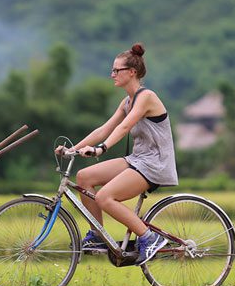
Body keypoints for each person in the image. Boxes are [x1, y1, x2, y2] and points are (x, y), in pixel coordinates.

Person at [56, 42, 178, 265]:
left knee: (104, 197)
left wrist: (101, 149)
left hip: (154, 164)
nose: (112, 74)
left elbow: (123, 128)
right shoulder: (127, 101)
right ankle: (98, 236)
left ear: (131, 72)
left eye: (116, 70)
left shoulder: (147, 97)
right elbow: (104, 129)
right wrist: (72, 150)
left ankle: (149, 238)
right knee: (84, 177)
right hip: (137, 160)